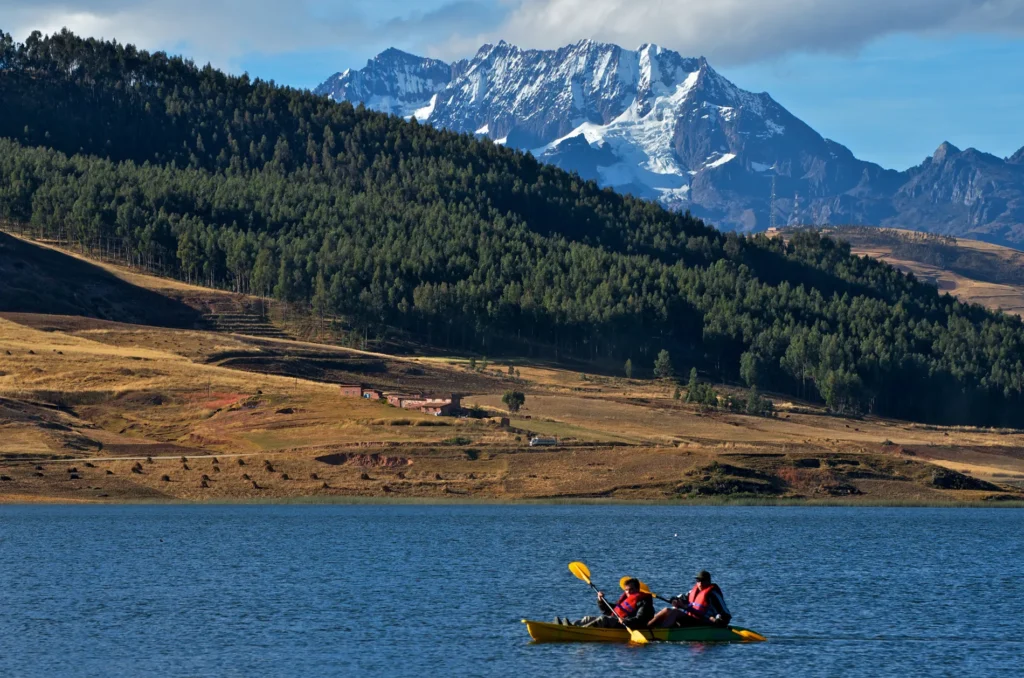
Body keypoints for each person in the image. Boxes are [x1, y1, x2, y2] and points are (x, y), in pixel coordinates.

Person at [558, 577, 654, 628]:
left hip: (626, 624)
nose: (628, 592)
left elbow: (640, 619)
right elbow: (609, 610)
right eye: (626, 590)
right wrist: (601, 601)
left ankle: (578, 631)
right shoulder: (627, 598)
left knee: (603, 619)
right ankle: (568, 625)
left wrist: (626, 621)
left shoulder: (644, 602)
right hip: (617, 621)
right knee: (587, 618)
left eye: (631, 590)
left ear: (637, 589)